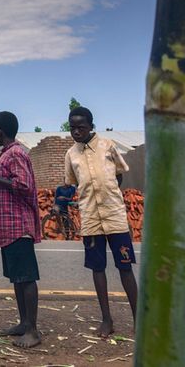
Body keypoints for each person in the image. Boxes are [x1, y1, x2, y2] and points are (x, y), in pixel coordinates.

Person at [64, 106, 138, 337]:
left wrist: (109, 193)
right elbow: (72, 182)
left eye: (81, 127)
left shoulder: (107, 146)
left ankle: (139, 319)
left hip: (114, 215)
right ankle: (107, 320)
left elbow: (119, 174)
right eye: (72, 127)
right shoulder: (71, 155)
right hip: (90, 219)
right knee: (98, 269)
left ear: (91, 126)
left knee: (125, 267)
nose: (76, 132)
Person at [0, 111, 42, 348]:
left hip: (19, 226)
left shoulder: (16, 153)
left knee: (26, 278)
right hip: (8, 227)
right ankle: (24, 324)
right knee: (17, 278)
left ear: (0, 130)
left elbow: (24, 186)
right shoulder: (5, 154)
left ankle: (34, 331)